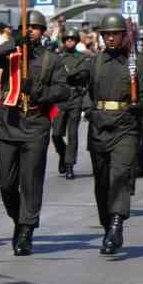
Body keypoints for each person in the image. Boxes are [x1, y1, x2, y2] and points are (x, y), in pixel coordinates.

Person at [68, 12, 143, 256]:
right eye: (106, 34)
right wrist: (90, 111)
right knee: (102, 183)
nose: (110, 38)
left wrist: (141, 106)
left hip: (125, 127)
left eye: (115, 34)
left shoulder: (135, 64)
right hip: (99, 127)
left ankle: (117, 224)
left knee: (120, 176)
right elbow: (83, 91)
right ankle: (108, 226)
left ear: (123, 35)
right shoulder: (94, 62)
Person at [0, 10, 68, 255]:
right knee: (6, 181)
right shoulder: (11, 54)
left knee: (31, 180)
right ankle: (19, 218)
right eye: (26, 27)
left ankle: (26, 230)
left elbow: (63, 91)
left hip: (35, 123)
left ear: (42, 31)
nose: (30, 31)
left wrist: (40, 93)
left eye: (35, 27)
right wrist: (13, 44)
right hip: (9, 122)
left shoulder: (52, 59)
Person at [52, 25, 87, 179]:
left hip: (75, 97)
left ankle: (69, 165)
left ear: (77, 41)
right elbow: (54, 77)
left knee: (72, 134)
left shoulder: (82, 58)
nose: (70, 41)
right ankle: (63, 153)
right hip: (60, 98)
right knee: (56, 134)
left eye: (73, 39)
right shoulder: (58, 58)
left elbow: (84, 75)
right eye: (67, 39)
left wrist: (73, 75)